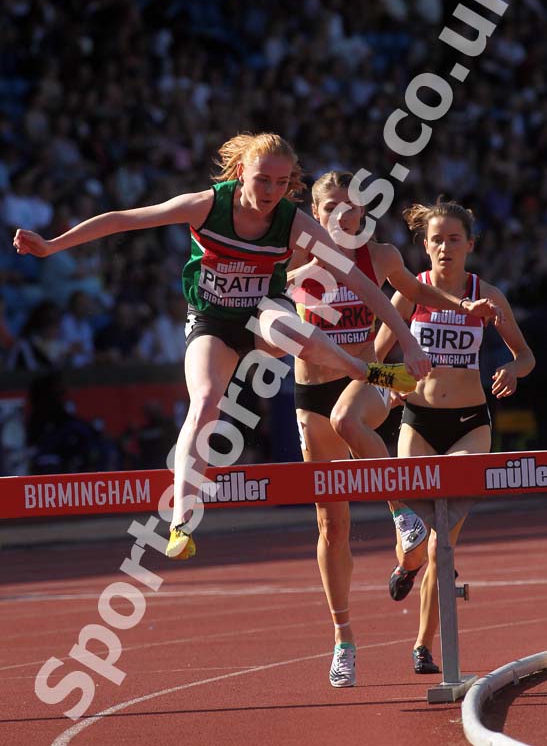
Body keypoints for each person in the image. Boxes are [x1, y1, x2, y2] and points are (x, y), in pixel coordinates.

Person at [13, 132, 430, 561]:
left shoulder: (293, 222)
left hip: (264, 313)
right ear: (240, 173)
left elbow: (359, 281)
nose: (270, 192)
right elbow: (125, 219)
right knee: (207, 401)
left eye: (282, 183)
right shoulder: (207, 205)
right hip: (212, 322)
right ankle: (181, 520)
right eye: (262, 180)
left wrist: (406, 342)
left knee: (290, 329)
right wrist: (52, 245)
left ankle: (364, 370)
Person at [288, 172, 502, 688]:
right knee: (331, 526)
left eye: (350, 206)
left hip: (373, 377)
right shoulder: (292, 258)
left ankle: (401, 511)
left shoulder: (380, 256)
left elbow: (417, 292)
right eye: (330, 207)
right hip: (311, 391)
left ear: (364, 213)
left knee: (351, 416)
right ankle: (343, 639)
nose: (341, 215)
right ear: (313, 213)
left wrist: (466, 309)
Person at [374, 198, 535, 675]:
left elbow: (526, 355)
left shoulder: (489, 296)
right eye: (436, 240)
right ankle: (406, 564)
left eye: (454, 240)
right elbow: (374, 363)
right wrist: (393, 390)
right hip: (419, 423)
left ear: (470, 245)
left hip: (470, 425)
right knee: (417, 540)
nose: (445, 248)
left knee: (446, 543)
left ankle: (423, 645)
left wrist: (513, 368)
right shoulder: (410, 293)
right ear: (424, 246)